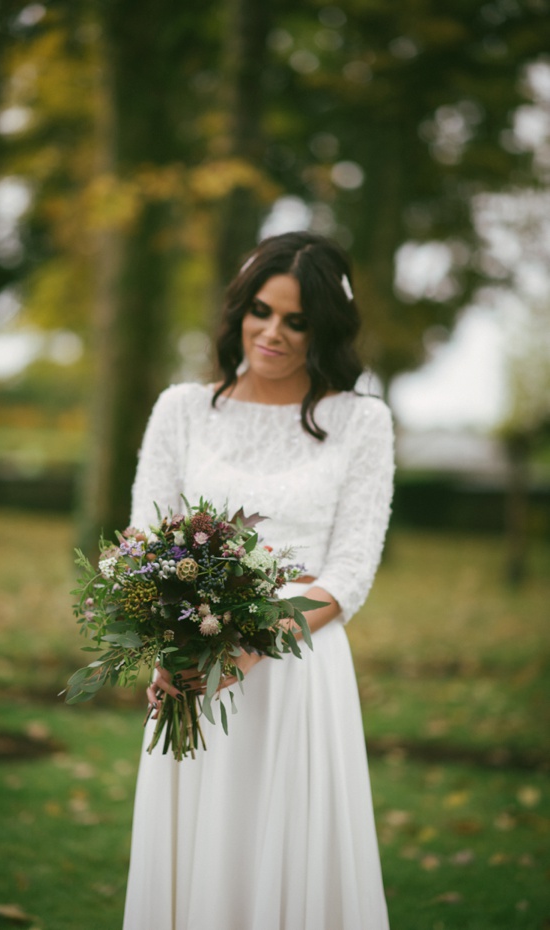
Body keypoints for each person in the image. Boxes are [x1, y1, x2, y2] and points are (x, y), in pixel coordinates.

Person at [122, 231, 394, 930]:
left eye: (297, 320)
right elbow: (147, 543)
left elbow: (351, 573)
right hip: (190, 666)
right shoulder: (180, 410)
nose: (273, 332)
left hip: (298, 669)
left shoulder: (360, 422)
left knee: (289, 857)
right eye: (262, 311)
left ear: (323, 328)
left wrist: (250, 645)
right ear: (240, 308)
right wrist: (172, 649)